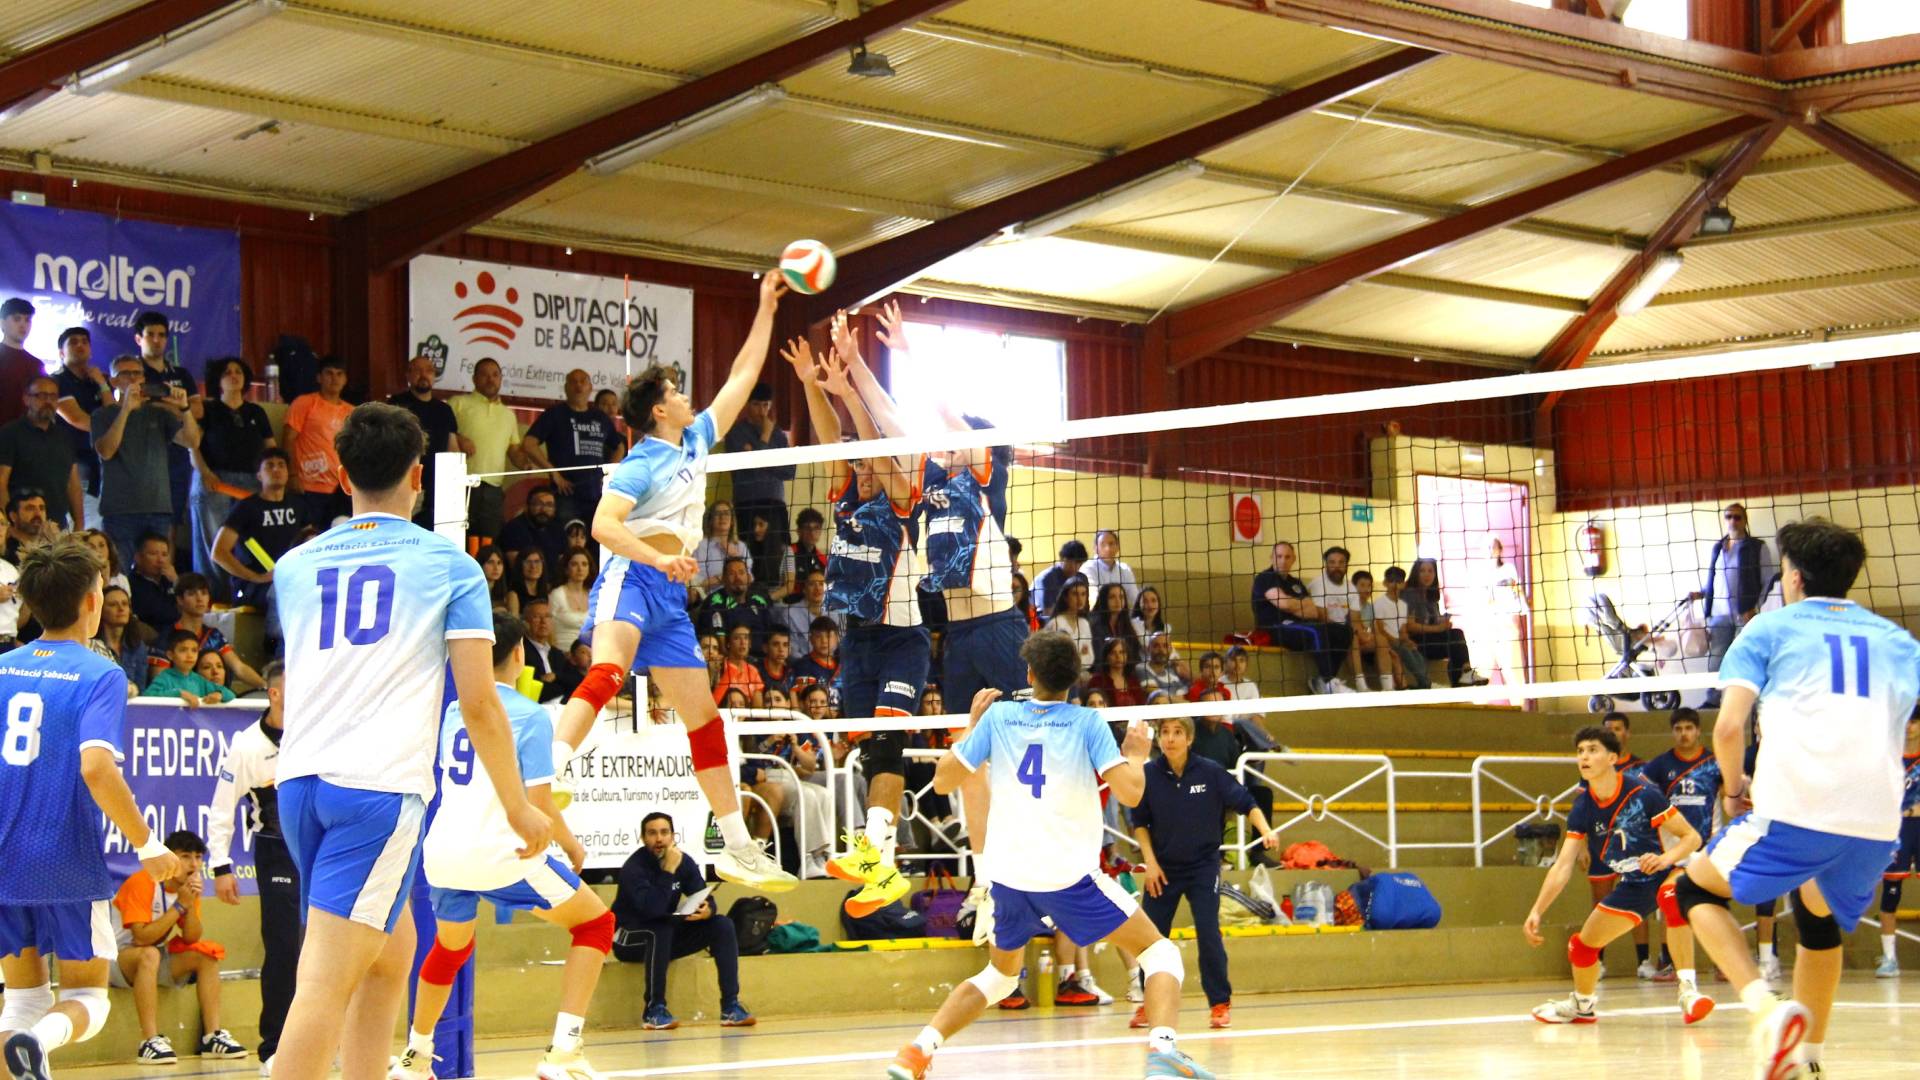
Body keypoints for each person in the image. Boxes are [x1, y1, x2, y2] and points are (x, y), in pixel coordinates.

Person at [267, 402, 551, 1080]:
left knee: (392, 950)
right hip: (379, 791)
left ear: (338, 475)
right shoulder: (449, 567)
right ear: (418, 475)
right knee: (323, 984)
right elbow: (480, 704)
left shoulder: (294, 566)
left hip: (300, 782)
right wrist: (518, 806)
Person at [554, 272, 793, 895]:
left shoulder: (696, 439)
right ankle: (547, 771)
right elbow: (604, 528)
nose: (689, 396)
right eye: (677, 392)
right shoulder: (640, 462)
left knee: (705, 720)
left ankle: (737, 846)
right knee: (607, 675)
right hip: (632, 578)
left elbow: (742, 375)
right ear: (658, 408)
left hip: (667, 599)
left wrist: (764, 306)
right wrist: (661, 561)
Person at [888, 632, 1213, 1080]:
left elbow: (943, 783)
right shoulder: (1088, 723)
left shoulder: (999, 716)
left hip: (1009, 876)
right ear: (1074, 681)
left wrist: (969, 728)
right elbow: (1131, 792)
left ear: (1029, 675)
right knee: (1161, 954)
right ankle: (1162, 1054)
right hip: (1067, 877)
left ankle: (916, 1052)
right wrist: (1136, 755)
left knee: (1001, 977)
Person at [1673, 517, 1920, 1079]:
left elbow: (1729, 729)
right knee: (1818, 922)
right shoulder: (1898, 642)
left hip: (1798, 808)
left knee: (1691, 891)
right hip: (1879, 820)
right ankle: (1805, 1061)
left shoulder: (1767, 629)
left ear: (1794, 577)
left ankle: (1766, 1009)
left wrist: (1734, 789)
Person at [395, 609, 613, 1080]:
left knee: (450, 950)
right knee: (597, 925)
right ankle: (563, 1053)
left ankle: (415, 1055)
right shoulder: (530, 715)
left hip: (445, 852)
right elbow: (535, 805)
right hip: (502, 852)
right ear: (519, 654)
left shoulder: (455, 710)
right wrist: (572, 845)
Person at [0, 537, 183, 1073]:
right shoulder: (99, 673)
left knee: (23, 1002)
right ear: (91, 601)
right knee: (89, 1001)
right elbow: (97, 768)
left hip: (4, 857)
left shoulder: (2, 667)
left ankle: (30, 1052)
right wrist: (148, 846)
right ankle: (38, 1046)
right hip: (63, 859)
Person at [785, 315, 930, 917]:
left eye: (868, 460)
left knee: (889, 745)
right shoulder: (847, 495)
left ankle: (879, 858)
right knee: (870, 750)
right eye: (859, 462)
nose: (861, 466)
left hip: (903, 639)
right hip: (857, 641)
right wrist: (812, 386)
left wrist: (851, 392)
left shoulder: (902, 501)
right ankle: (878, 864)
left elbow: (885, 452)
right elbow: (827, 443)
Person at [1522, 725, 1711, 1026]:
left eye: (1593, 750)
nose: (1584, 757)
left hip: (1672, 869)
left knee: (1670, 896)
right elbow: (1562, 866)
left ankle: (1688, 991)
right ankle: (1583, 1005)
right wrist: (1537, 910)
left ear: (1613, 758)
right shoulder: (1582, 807)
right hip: (1634, 883)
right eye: (1580, 751)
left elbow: (1691, 838)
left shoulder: (1643, 794)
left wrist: (1663, 859)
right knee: (1582, 947)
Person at [1130, 715, 1280, 1031]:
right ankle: (1148, 1003)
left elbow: (1247, 802)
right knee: (1150, 939)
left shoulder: (1210, 772)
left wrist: (1265, 830)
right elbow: (1139, 823)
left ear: (1190, 738)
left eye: (1177, 732)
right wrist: (1151, 863)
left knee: (1208, 932)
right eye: (1165, 732)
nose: (1169, 739)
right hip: (1163, 868)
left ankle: (1219, 1004)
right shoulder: (1148, 775)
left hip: (1202, 867)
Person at [206, 659, 300, 1061]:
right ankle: (274, 1049)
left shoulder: (316, 735)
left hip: (318, 850)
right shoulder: (246, 745)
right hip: (275, 850)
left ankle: (324, 1040)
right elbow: (222, 808)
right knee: (282, 948)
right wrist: (222, 866)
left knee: (328, 948)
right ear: (274, 693)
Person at [109, 830, 247, 1062]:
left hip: (149, 957)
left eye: (198, 857)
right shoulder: (143, 882)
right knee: (149, 954)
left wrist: (189, 904)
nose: (193, 864)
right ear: (169, 858)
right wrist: (180, 906)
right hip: (114, 961)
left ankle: (212, 1037)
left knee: (206, 954)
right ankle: (149, 1040)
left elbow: (192, 937)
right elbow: (141, 938)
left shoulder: (186, 890)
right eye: (185, 857)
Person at [611, 812, 757, 1030]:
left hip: (665, 936)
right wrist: (669, 870)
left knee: (722, 925)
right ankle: (653, 1010)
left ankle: (731, 1007)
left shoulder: (684, 862)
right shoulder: (634, 868)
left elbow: (703, 895)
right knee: (659, 928)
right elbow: (653, 910)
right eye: (652, 833)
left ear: (673, 837)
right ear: (643, 838)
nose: (659, 839)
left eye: (664, 832)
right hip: (628, 939)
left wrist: (708, 910)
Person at [1637, 708, 1721, 986]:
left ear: (1698, 731)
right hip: (1671, 847)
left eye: (1689, 728)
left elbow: (1730, 793)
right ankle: (1669, 961)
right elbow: (1643, 798)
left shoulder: (1713, 763)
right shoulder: (1660, 766)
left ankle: (1721, 962)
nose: (1684, 734)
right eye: (1678, 728)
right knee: (1669, 900)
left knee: (1713, 904)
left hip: (1708, 845)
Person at [93, 353, 202, 571]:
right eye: (126, 374)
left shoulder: (158, 413)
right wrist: (125, 409)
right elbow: (106, 451)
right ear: (113, 381)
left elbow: (192, 441)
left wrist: (184, 409)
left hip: (158, 508)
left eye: (138, 373)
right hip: (120, 510)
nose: (133, 378)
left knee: (158, 574)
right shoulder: (103, 414)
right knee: (119, 574)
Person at [190, 357, 276, 589]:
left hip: (250, 482)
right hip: (214, 481)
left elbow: (271, 448)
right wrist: (205, 473)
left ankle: (246, 588)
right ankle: (211, 595)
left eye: (238, 371)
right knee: (212, 541)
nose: (234, 375)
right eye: (227, 372)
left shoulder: (256, 411)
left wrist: (272, 477)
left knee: (248, 540)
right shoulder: (207, 409)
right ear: (218, 379)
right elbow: (193, 446)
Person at [211, 448, 311, 637]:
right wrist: (253, 577)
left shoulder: (299, 506)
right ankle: (275, 645)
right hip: (255, 586)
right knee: (280, 591)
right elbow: (219, 552)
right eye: (269, 466)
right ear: (259, 475)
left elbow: (311, 539)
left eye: (281, 465)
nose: (276, 470)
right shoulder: (246, 508)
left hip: (291, 580)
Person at [1692, 502, 1775, 708]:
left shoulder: (1757, 547)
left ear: (1745, 520)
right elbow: (1714, 578)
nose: (1732, 521)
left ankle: (1749, 703)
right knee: (1717, 659)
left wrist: (1755, 608)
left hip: (1745, 614)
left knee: (1744, 658)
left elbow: (1768, 580)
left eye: (1737, 517)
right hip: (1719, 614)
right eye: (1729, 517)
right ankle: (1713, 700)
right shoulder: (1718, 547)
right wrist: (1701, 593)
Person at [128, 311, 200, 545]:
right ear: (139, 338)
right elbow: (132, 407)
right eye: (150, 334)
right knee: (138, 522)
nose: (156, 340)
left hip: (177, 456)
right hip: (141, 455)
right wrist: (175, 406)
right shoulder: (132, 373)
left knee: (170, 522)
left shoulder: (180, 374)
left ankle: (165, 579)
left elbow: (198, 410)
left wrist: (158, 403)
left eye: (161, 335)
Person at [1251, 540, 1356, 695]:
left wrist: (1294, 605)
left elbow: (1312, 611)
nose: (1282, 561)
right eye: (1279, 556)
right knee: (1316, 630)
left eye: (1287, 557)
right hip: (1274, 629)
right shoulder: (1265, 578)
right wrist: (1298, 606)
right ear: (1271, 557)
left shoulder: (1296, 583)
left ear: (1293, 559)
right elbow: (1285, 604)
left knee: (1344, 631)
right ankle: (1329, 682)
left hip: (1298, 627)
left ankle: (1323, 681)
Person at [724, 382, 796, 593]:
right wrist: (764, 439)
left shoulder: (780, 436)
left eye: (766, 406)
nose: (762, 411)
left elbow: (789, 472)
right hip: (748, 502)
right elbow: (747, 467)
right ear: (747, 405)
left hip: (775, 503)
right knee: (752, 553)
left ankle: (774, 595)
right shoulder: (737, 433)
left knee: (776, 552)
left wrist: (756, 452)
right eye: (756, 405)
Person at [523, 368, 619, 524]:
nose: (578, 386)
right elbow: (529, 443)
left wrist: (609, 474)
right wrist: (554, 473)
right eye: (573, 382)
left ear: (590, 388)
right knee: (568, 539)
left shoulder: (600, 417)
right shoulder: (555, 414)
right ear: (566, 388)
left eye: (583, 381)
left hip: (596, 493)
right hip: (565, 493)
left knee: (596, 543)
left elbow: (619, 445)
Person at [450, 357, 530, 544]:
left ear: (501, 379)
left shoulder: (508, 415)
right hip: (463, 484)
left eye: (495, 375)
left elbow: (513, 450)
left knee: (489, 541)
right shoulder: (458, 403)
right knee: (459, 539)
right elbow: (444, 432)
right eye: (484, 374)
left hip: (494, 488)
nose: (490, 379)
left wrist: (525, 460)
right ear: (474, 378)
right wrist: (459, 438)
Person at [385, 354, 460, 527]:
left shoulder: (444, 410)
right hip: (406, 483)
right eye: (417, 370)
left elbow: (453, 448)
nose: (423, 375)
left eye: (429, 371)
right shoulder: (396, 404)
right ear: (408, 375)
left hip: (438, 487)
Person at [0, 376, 82, 531]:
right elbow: (1, 483)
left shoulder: (64, 436)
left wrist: (79, 524)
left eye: (53, 396)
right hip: (22, 526)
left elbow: (73, 484)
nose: (48, 402)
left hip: (58, 525)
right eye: (41, 396)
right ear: (26, 399)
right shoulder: (10, 433)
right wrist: (8, 524)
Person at [1873, 709, 1920, 977]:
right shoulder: (1891, 760)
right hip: (1898, 830)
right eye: (1906, 722)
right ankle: (1890, 958)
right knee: (1891, 892)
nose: (1909, 728)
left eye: (1914, 722)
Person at [282, 355, 353, 527]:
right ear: (319, 377)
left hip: (341, 488)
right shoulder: (305, 403)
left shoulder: (352, 411)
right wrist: (291, 475)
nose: (334, 378)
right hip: (308, 485)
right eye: (329, 373)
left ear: (345, 380)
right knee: (309, 537)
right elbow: (287, 440)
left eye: (339, 374)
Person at [173, 572, 266, 692]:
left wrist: (266, 686)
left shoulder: (214, 635)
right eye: (192, 594)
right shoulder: (169, 636)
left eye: (204, 593)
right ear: (180, 599)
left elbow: (238, 667)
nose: (199, 598)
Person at [52, 327, 107, 528]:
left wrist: (103, 384)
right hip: (71, 463)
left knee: (97, 528)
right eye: (73, 342)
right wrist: (111, 430)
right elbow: (77, 419)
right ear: (61, 352)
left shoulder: (96, 381)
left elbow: (110, 413)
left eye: (84, 341)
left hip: (99, 464)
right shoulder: (57, 381)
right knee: (79, 527)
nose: (80, 345)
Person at [1403, 558, 1486, 688]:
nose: (1427, 575)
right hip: (1416, 641)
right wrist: (1438, 628)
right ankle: (1465, 673)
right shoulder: (1410, 594)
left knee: (1455, 643)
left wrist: (1443, 622)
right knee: (1456, 635)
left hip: (1430, 640)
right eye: (1422, 571)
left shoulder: (1431, 598)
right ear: (1416, 573)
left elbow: (1434, 622)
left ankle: (1462, 679)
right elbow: (1410, 626)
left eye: (1430, 571)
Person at [1372, 566, 1432, 690]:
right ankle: (1424, 683)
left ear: (1403, 584)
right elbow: (1379, 629)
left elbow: (1403, 629)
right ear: (1385, 583)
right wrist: (1394, 640)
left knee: (1416, 653)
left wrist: (1407, 640)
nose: (1394, 584)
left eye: (1398, 581)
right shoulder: (1379, 603)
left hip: (1399, 641)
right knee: (1406, 653)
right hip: (1387, 641)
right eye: (1391, 580)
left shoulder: (1403, 605)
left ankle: (1425, 683)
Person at [693, 555, 771, 646]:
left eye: (741, 573)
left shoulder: (759, 601)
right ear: (723, 579)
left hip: (761, 657)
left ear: (749, 577)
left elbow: (770, 635)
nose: (738, 578)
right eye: (731, 574)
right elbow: (715, 645)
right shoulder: (714, 602)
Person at [142, 629, 233, 705]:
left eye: (194, 650)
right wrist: (179, 693)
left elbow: (230, 694)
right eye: (183, 650)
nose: (190, 655)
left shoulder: (199, 680)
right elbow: (148, 696)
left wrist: (219, 694)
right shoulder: (164, 677)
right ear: (170, 655)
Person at [94, 584, 151, 693]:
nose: (121, 609)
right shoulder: (91, 645)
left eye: (125, 604)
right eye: (113, 604)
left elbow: (140, 688)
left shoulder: (138, 646)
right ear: (100, 610)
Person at [521, 599, 580, 704]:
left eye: (547, 616)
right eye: (537, 617)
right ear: (526, 622)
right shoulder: (521, 651)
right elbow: (535, 687)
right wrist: (561, 684)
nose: (543, 622)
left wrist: (556, 676)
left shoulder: (556, 654)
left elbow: (576, 680)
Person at [0, 298, 43, 431]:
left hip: (25, 439)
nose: (23, 325)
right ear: (2, 323)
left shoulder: (36, 364)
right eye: (17, 319)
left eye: (27, 320)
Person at [501, 485, 568, 572]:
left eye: (549, 505)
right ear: (527, 506)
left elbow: (562, 565)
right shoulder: (514, 528)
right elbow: (516, 567)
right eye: (538, 504)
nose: (543, 509)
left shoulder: (558, 529)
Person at [127, 532, 180, 633]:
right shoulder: (132, 584)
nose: (160, 560)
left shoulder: (170, 579)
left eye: (164, 555)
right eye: (153, 554)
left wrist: (177, 582)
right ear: (138, 557)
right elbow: (160, 614)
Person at [693, 500, 752, 590]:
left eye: (726, 514)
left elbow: (749, 578)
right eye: (717, 514)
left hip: (737, 597)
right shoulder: (700, 546)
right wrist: (727, 576)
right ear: (710, 520)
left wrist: (736, 557)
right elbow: (699, 584)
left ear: (732, 521)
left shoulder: (741, 547)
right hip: (710, 598)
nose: (722, 517)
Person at [1043, 576, 1095, 677]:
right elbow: (1054, 660)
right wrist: (1080, 654)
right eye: (1075, 594)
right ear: (1065, 597)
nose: (1080, 599)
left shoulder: (1084, 623)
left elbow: (1089, 658)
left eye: (1083, 594)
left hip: (1083, 675)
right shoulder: (1056, 623)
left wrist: (1074, 656)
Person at [777, 566, 840, 641]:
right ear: (804, 589)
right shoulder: (789, 614)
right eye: (812, 584)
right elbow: (791, 648)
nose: (817, 588)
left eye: (821, 584)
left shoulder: (837, 612)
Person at [548, 549, 592, 649]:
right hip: (563, 653)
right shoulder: (557, 595)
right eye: (574, 564)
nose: (580, 569)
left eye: (584, 564)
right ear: (566, 569)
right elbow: (549, 630)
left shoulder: (594, 595)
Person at [781, 507, 828, 602]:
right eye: (807, 528)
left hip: (815, 605)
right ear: (799, 531)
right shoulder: (789, 553)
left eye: (816, 528)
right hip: (791, 605)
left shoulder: (822, 559)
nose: (812, 533)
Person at [712, 624, 766, 706]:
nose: (743, 642)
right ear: (728, 643)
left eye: (746, 638)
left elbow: (758, 708)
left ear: (750, 644)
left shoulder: (753, 671)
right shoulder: (718, 666)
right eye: (737, 638)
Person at [1031, 539, 1088, 618]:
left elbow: (1085, 609)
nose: (1075, 567)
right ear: (1061, 558)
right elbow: (1047, 612)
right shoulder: (1047, 578)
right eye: (1071, 562)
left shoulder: (1081, 578)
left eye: (1079, 563)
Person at [1085, 530, 1138, 606]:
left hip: (1121, 616)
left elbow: (1135, 599)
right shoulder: (1088, 568)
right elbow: (1093, 599)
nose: (1108, 549)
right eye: (1103, 544)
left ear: (1118, 547)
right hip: (1097, 615)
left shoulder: (1125, 569)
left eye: (1111, 544)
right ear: (1095, 548)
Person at [1135, 632, 1188, 697]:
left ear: (1171, 649)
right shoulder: (1141, 668)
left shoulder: (1171, 672)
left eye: (1165, 646)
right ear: (1148, 649)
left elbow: (1182, 696)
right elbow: (1157, 695)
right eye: (1156, 646)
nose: (1161, 650)